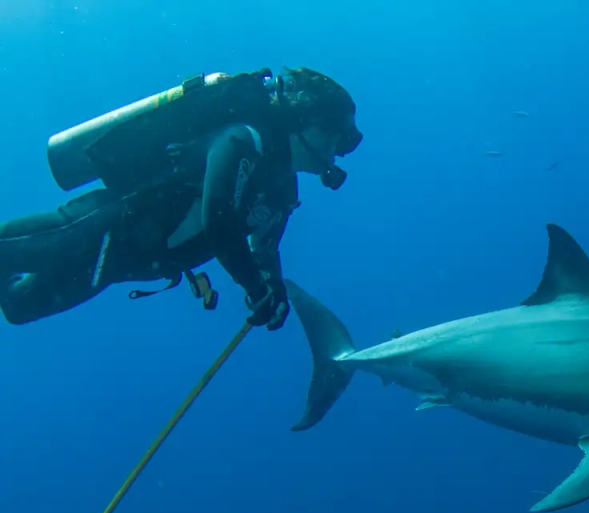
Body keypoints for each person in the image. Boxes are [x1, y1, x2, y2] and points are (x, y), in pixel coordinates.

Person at [0, 66, 363, 330]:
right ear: (307, 119)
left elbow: (264, 250)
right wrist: (255, 287)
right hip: (104, 225)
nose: (337, 151)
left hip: (117, 265)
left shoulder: (281, 191)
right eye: (336, 135)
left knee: (18, 307)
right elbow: (218, 222)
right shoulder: (243, 138)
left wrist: (274, 292)